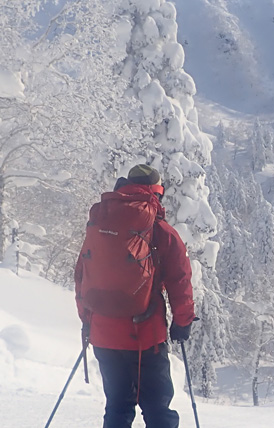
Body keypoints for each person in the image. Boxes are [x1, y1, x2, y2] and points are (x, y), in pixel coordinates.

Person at [75, 164, 197, 428]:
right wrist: (183, 322)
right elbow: (180, 281)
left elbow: (82, 276)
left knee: (117, 407)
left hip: (103, 334)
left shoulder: (98, 225)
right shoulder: (160, 231)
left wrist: (87, 321)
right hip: (145, 336)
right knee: (157, 410)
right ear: (158, 192)